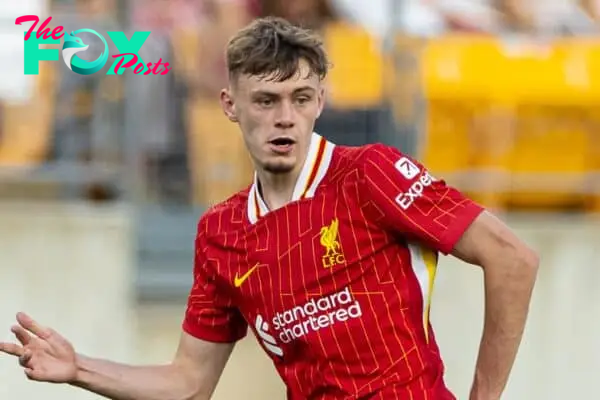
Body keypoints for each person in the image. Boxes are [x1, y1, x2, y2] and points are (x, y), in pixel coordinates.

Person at [0, 16, 538, 400]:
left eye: (300, 99)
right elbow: (188, 382)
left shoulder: (368, 174)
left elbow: (513, 258)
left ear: (319, 103)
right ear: (231, 106)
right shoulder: (221, 232)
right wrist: (78, 369)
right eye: (266, 100)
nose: (285, 118)